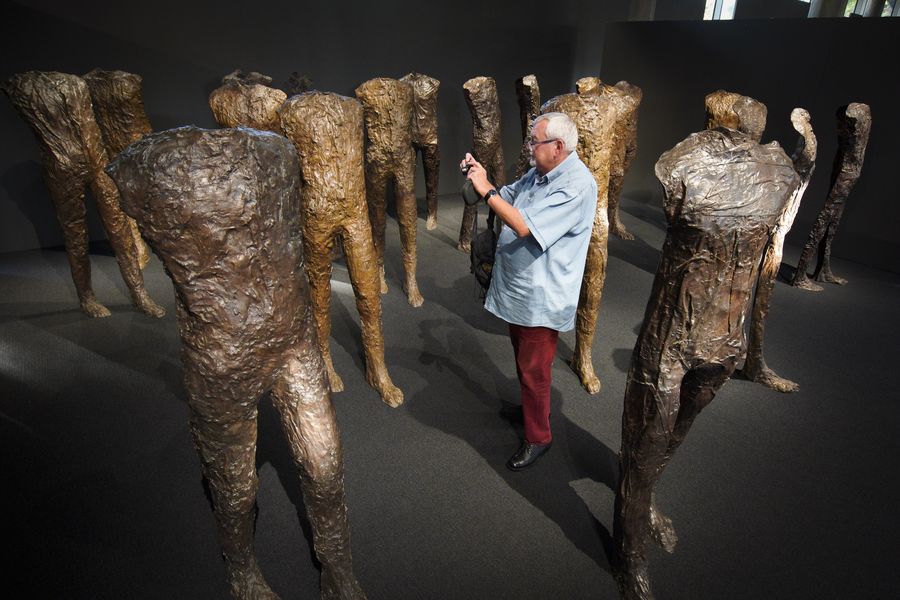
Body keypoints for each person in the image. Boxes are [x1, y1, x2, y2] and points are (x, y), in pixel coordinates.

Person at [460, 112, 597, 470]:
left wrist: (487, 191)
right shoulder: (540, 172)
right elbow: (508, 196)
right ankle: (530, 409)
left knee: (535, 370)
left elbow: (523, 226)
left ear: (558, 146)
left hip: (541, 296)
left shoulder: (576, 185)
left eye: (535, 141)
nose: (529, 147)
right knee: (524, 360)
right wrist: (480, 177)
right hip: (522, 290)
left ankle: (539, 437)